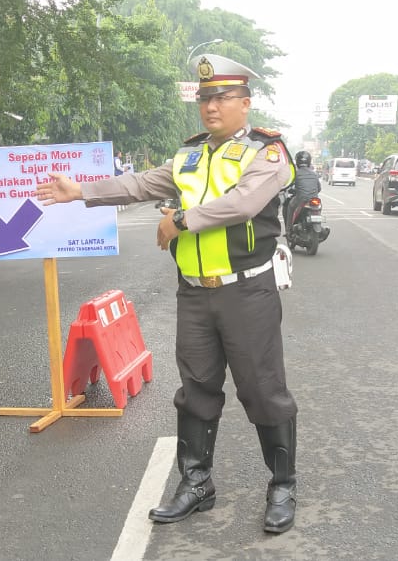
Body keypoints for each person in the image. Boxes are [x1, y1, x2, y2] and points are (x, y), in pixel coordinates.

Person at [36, 54, 300, 533]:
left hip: (247, 292)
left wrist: (179, 219)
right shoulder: (190, 155)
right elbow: (140, 183)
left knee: (262, 390)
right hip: (195, 294)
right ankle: (196, 484)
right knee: (196, 390)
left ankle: (282, 485)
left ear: (245, 102)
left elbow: (243, 204)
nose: (211, 106)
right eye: (204, 98)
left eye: (221, 97)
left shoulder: (268, 153)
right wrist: (80, 191)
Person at [283, 150, 321, 229]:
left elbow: (288, 185)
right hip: (314, 199)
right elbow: (319, 188)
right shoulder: (314, 173)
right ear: (309, 162)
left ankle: (288, 229)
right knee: (319, 206)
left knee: (290, 206)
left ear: (297, 162)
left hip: (300, 199)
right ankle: (318, 222)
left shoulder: (295, 173)